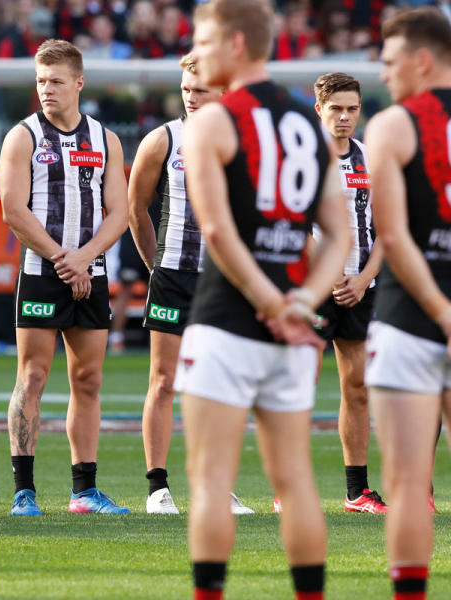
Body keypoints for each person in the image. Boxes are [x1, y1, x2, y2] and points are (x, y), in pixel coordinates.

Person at [177, 0, 351, 597]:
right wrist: (299, 301)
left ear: (236, 44)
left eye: (203, 39)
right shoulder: (309, 123)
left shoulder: (213, 122)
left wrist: (269, 304)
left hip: (226, 319)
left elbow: (220, 233)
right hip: (295, 330)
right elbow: (341, 236)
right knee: (296, 479)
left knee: (209, 479)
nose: (195, 52)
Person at [0, 39, 130, 515]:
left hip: (90, 274)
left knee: (88, 379)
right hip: (42, 271)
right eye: (40, 81)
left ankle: (83, 492)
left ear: (78, 82)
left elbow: (121, 212)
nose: (46, 89)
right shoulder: (22, 136)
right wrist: (63, 259)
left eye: (55, 81)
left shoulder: (106, 140)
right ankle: (23, 493)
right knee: (31, 376)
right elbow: (14, 210)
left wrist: (87, 258)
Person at [127, 53, 251, 515]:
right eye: (185, 89)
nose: (191, 97)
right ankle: (158, 488)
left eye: (200, 90)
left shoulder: (244, 144)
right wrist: (152, 265)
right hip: (174, 277)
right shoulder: (162, 140)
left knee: (222, 384)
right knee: (163, 380)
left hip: (223, 282)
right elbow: (135, 207)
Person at [363, 8, 451, 599]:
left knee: (407, 478)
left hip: (408, 320)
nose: (384, 74)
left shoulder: (393, 126)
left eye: (391, 62)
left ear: (422, 60)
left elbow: (391, 237)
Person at [309, 72, 387, 514]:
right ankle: (288, 488)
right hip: (313, 289)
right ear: (319, 109)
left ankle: (357, 491)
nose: (344, 117)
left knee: (357, 388)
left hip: (360, 287)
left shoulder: (369, 159)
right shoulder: (301, 159)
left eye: (351, 109)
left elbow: (386, 230)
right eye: (336, 108)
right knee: (298, 388)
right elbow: (293, 223)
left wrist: (360, 278)